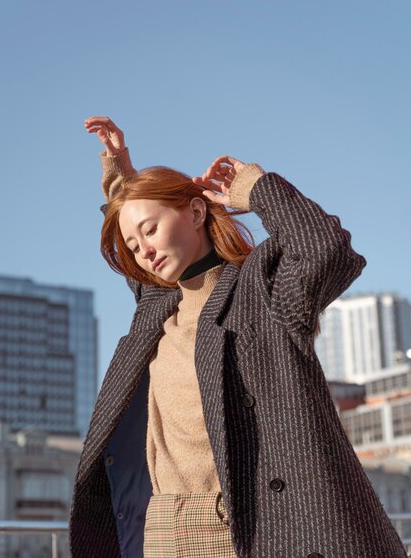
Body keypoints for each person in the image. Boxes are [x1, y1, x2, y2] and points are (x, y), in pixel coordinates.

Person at [69, 117, 407, 558]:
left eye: (150, 231)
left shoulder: (261, 290)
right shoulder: (157, 309)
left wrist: (258, 187)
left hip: (244, 523)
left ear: (194, 212)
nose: (144, 251)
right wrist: (120, 173)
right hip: (162, 525)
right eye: (133, 246)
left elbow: (327, 249)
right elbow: (132, 221)